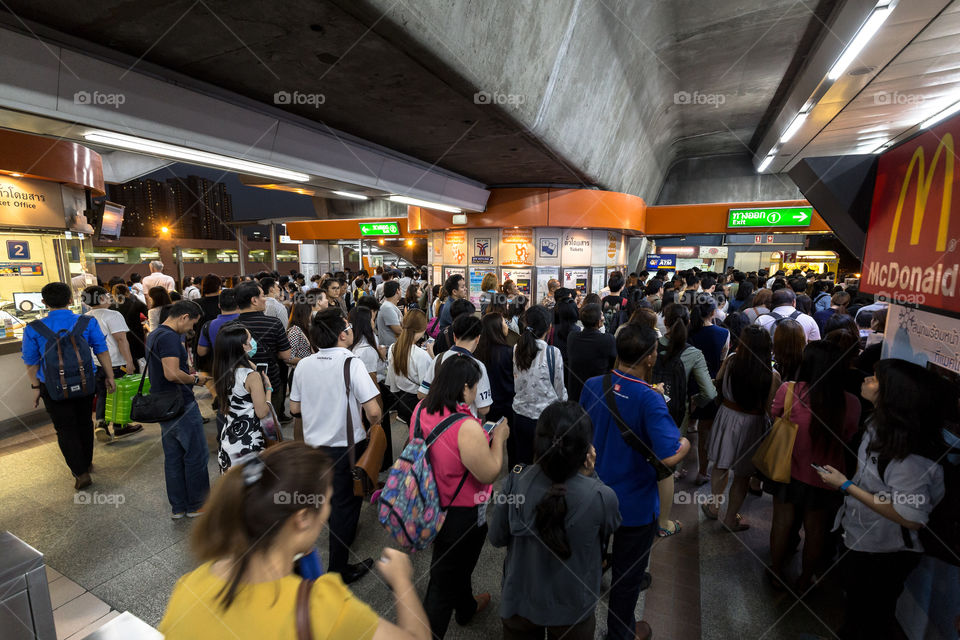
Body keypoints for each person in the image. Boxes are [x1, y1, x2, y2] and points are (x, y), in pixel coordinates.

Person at [158, 442, 431, 640]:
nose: (328, 509)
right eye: (327, 499)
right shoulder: (322, 607)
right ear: (301, 518)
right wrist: (402, 581)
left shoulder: (187, 588)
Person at [816, 359, 946, 640]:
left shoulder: (910, 455)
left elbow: (912, 518)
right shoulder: (878, 424)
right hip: (862, 533)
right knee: (857, 608)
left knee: (872, 615)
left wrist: (846, 485)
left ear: (894, 395)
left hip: (887, 550)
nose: (866, 381)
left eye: (875, 379)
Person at [580, 325, 689, 640]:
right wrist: (686, 446)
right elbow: (669, 455)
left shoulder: (590, 384)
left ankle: (579, 625)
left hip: (593, 494)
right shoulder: (649, 398)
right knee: (628, 576)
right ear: (651, 357)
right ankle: (619, 632)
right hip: (635, 505)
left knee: (587, 565)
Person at [489, 401, 620, 640]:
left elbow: (496, 538)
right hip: (573, 608)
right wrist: (593, 474)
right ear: (585, 451)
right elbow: (610, 528)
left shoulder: (515, 481)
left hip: (520, 601)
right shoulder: (602, 496)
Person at [412, 356, 509, 639]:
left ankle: (465, 605)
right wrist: (499, 438)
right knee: (442, 581)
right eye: (476, 386)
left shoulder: (421, 408)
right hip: (460, 513)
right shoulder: (466, 425)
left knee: (454, 563)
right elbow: (489, 472)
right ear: (465, 387)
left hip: (428, 501)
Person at [290, 308, 380, 584]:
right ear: (343, 334)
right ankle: (338, 569)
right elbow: (374, 411)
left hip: (313, 449)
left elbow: (295, 409)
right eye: (348, 326)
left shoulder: (304, 364)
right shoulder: (351, 363)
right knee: (346, 504)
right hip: (346, 448)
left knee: (324, 499)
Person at [766, 342, 861, 591]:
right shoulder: (850, 403)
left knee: (782, 522)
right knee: (816, 530)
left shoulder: (789, 390)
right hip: (828, 477)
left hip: (788, 467)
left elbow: (775, 413)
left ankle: (775, 571)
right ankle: (805, 578)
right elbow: (849, 436)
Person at [22, 282, 115, 490]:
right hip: (85, 382)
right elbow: (102, 350)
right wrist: (110, 376)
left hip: (52, 386)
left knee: (64, 428)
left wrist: (36, 388)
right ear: (71, 300)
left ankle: (79, 472)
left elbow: (31, 361)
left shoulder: (33, 328)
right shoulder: (86, 322)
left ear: (44, 302)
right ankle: (87, 461)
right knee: (84, 421)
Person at [706, 325, 781, 531]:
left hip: (727, 415)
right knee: (743, 474)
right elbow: (770, 408)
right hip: (753, 423)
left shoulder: (731, 361)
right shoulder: (771, 374)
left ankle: (714, 506)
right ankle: (731, 518)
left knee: (720, 465)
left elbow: (718, 382)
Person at [145, 300, 211, 518]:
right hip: (180, 403)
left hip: (163, 404)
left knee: (173, 457)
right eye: (192, 323)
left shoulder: (154, 334)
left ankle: (179, 507)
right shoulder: (171, 337)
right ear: (184, 317)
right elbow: (172, 374)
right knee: (195, 455)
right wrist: (196, 380)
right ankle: (197, 504)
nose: (192, 329)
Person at [84, 286, 144, 443]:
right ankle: (120, 426)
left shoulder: (85, 317)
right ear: (102, 298)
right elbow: (121, 340)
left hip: (96, 363)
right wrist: (129, 362)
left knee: (102, 393)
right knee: (118, 394)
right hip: (116, 362)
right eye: (106, 295)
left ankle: (101, 423)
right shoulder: (113, 315)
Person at [212, 323, 272, 473]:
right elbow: (262, 412)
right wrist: (268, 389)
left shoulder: (222, 370)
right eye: (250, 339)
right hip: (249, 441)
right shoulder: (251, 376)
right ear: (242, 346)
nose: (253, 342)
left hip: (228, 439)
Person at [512, 306, 567, 466]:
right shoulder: (553, 353)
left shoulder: (517, 348)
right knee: (545, 465)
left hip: (520, 415)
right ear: (549, 328)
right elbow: (560, 390)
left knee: (523, 461)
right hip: (546, 419)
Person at [234, 281, 293, 422]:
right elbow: (286, 355)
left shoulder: (229, 327)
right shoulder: (274, 323)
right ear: (254, 300)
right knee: (270, 425)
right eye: (262, 296)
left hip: (238, 384)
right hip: (269, 382)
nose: (265, 299)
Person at [686, 297, 728, 488]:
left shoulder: (689, 332)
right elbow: (723, 358)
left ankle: (677, 466)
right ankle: (702, 471)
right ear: (713, 313)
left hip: (689, 382)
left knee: (681, 424)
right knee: (705, 432)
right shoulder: (723, 333)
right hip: (710, 384)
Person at [419, 314, 492, 419]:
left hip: (438, 424)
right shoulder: (478, 366)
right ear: (477, 338)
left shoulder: (439, 358)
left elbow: (422, 394)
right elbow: (484, 409)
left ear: (454, 336)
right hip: (465, 426)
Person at [386, 309, 435, 425]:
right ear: (422, 329)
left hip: (402, 399)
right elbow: (427, 386)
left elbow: (392, 377)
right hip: (419, 402)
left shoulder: (393, 347)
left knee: (413, 433)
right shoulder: (422, 355)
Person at [566, 303, 617, 402]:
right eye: (602, 315)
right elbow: (613, 362)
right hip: (598, 390)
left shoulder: (572, 337)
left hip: (575, 391)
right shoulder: (607, 339)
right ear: (598, 322)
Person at [473, 312, 515, 428]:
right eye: (504, 323)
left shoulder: (478, 352)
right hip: (509, 403)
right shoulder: (509, 352)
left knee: (492, 432)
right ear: (497, 328)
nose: (506, 326)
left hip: (489, 403)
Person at [756, 288, 821, 343]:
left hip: (771, 357)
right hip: (799, 357)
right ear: (794, 302)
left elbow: (756, 344)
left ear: (772, 303)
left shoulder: (761, 320)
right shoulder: (808, 320)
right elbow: (814, 345)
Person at [196, 289, 240, 363]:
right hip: (243, 367)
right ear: (238, 305)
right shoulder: (245, 322)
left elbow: (201, 352)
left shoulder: (208, 325)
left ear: (219, 305)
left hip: (219, 367)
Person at [112, 283, 148, 372]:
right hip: (135, 334)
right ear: (127, 292)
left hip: (118, 335)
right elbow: (147, 312)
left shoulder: (111, 306)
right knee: (138, 359)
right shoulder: (135, 302)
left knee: (123, 359)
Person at [377, 280, 403, 348]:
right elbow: (397, 329)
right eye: (400, 289)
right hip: (390, 347)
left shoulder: (389, 306)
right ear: (397, 290)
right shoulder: (387, 307)